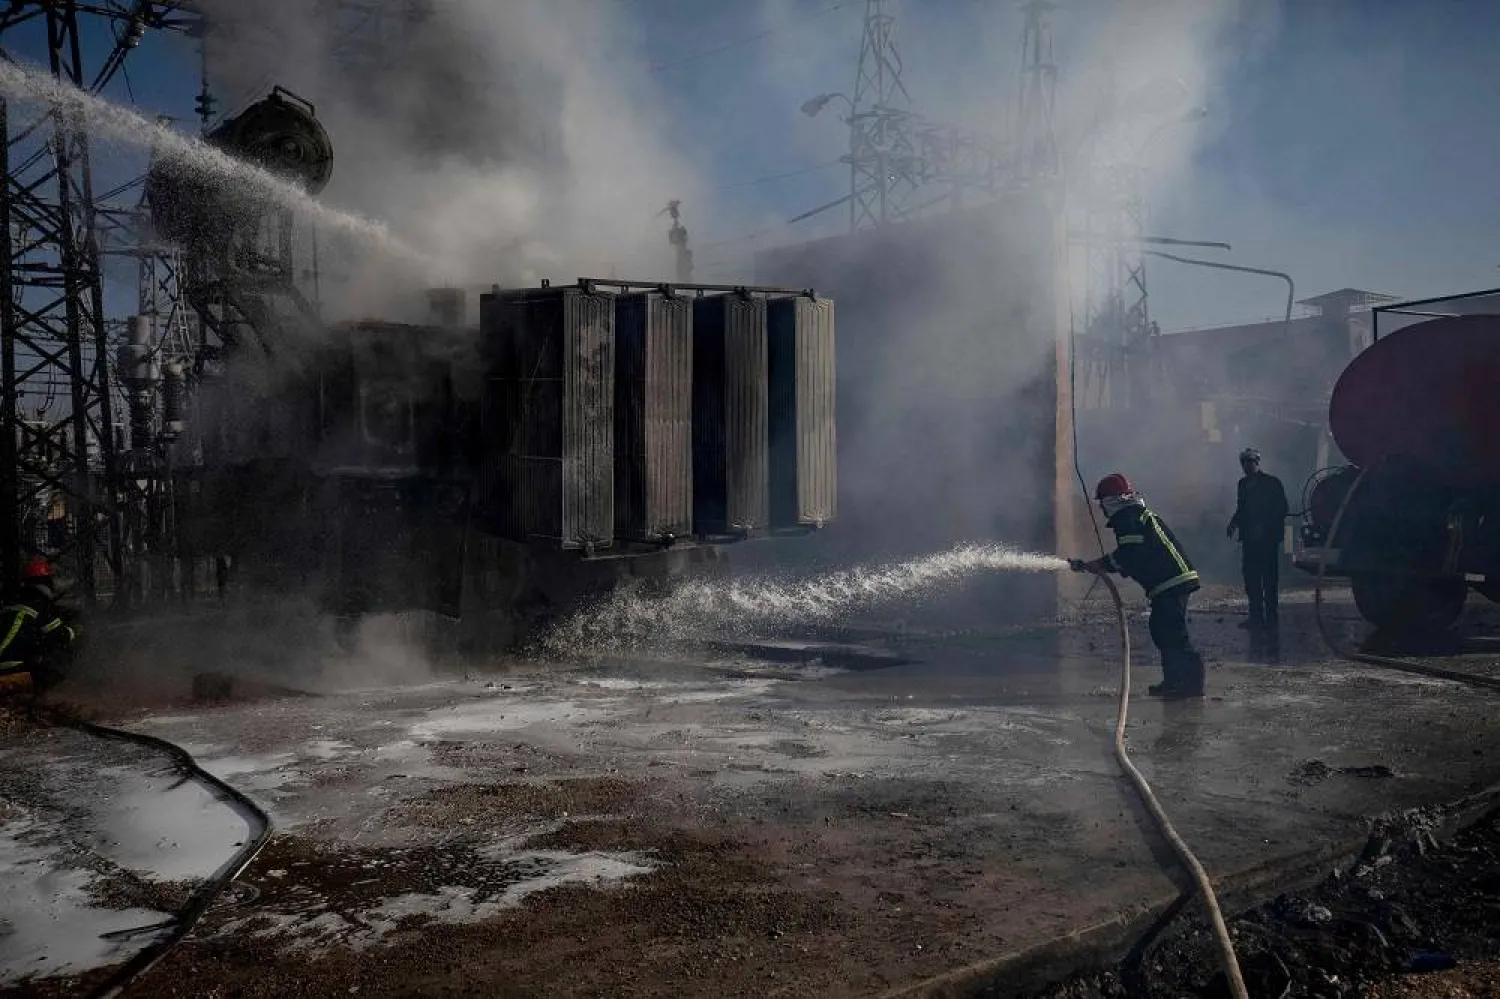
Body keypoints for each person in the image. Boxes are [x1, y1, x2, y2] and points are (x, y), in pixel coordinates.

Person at [1069, 473, 1206, 698]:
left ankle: (1191, 685)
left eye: (1102, 503)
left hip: (1171, 581)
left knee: (1173, 633)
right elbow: (1139, 555)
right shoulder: (1135, 515)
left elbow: (1129, 554)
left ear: (1111, 500)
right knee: (1162, 630)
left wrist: (1100, 564)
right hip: (1169, 582)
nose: (1101, 510)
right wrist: (1104, 565)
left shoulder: (1127, 517)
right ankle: (1174, 681)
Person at [1226, 447, 1289, 631]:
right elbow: (1242, 508)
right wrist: (1233, 523)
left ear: (1257, 462)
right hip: (1249, 541)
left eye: (1250, 461)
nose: (1247, 465)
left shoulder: (1272, 483)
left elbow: (1281, 509)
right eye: (1244, 462)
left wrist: (1264, 527)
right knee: (1252, 579)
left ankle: (1271, 617)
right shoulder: (1243, 485)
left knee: (1269, 579)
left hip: (1267, 541)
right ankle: (1256, 617)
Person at [0, 557, 78, 693]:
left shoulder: (12, 603)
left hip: (6, 669)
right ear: (46, 582)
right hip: (13, 672)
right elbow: (59, 636)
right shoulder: (42, 606)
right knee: (60, 654)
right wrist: (75, 631)